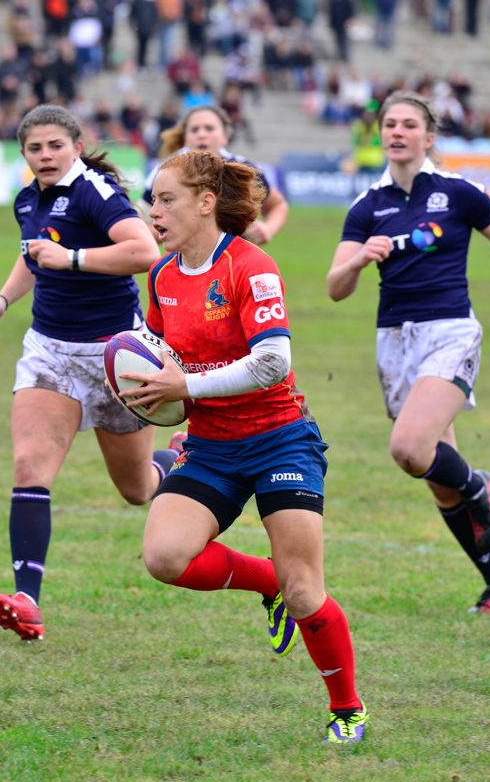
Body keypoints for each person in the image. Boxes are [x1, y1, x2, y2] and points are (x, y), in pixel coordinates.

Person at [121, 149, 368, 745]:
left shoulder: (250, 266)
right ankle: (266, 585)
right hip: (210, 445)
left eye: (166, 199)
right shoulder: (160, 275)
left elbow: (272, 361)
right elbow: (164, 356)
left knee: (306, 590)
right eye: (152, 199)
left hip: (280, 441)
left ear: (206, 204)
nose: (153, 211)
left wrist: (187, 385)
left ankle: (347, 707)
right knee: (164, 557)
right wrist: (153, 389)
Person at [326, 92, 490, 614]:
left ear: (428, 138)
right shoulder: (367, 206)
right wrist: (358, 260)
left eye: (409, 125)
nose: (397, 132)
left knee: (408, 447)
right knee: (435, 479)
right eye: (389, 124)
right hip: (394, 341)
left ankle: (480, 485)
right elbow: (335, 287)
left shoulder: (459, 192)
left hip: (449, 330)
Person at [0, 104, 177, 642]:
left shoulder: (95, 192)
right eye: (34, 148)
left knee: (135, 489)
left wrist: (74, 261)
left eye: (54, 146)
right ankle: (28, 600)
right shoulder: (26, 201)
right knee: (29, 465)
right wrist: (2, 298)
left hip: (117, 354)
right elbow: (33, 256)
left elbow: (144, 250)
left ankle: (179, 455)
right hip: (50, 351)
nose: (45, 155)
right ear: (23, 154)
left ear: (76, 147)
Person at [142, 105, 289, 247]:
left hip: (234, 263)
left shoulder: (242, 170)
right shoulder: (165, 172)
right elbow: (141, 228)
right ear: (185, 138)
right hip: (186, 264)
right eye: (194, 130)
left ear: (224, 137)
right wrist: (177, 229)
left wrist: (268, 229)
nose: (201, 134)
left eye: (209, 128)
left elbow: (278, 205)